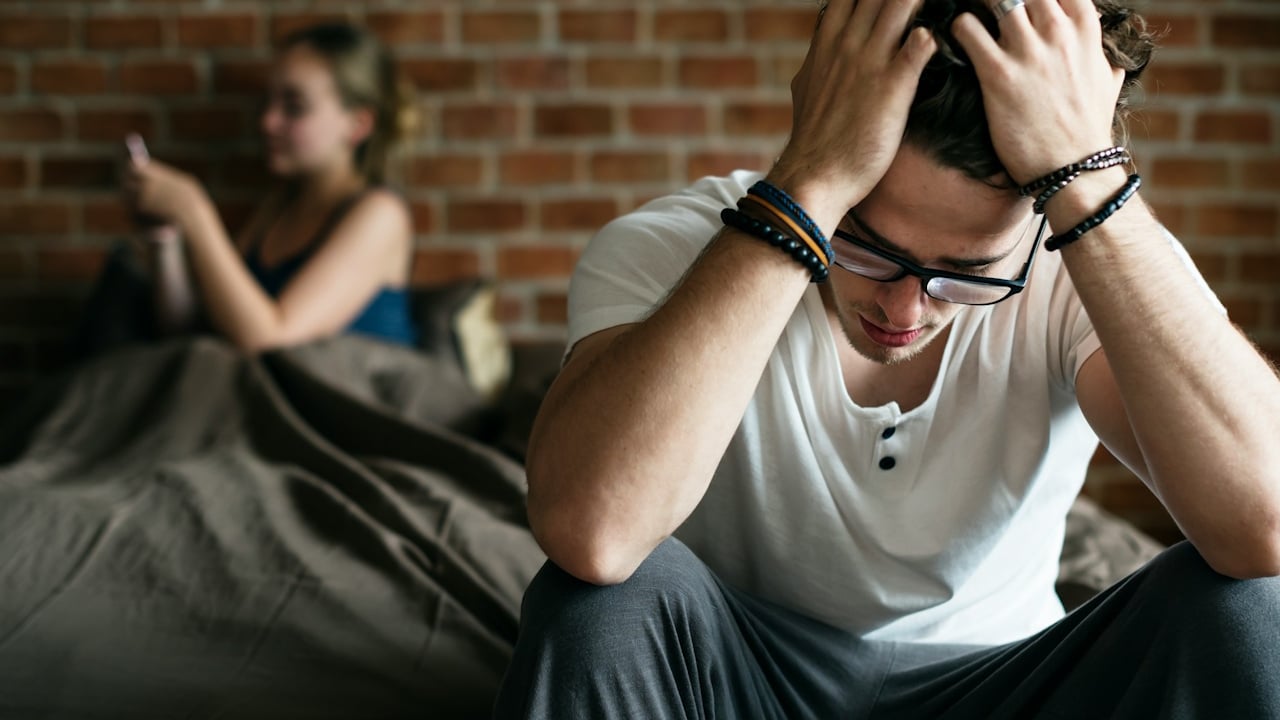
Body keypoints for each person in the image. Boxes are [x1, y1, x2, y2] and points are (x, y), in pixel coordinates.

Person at [494, 0, 1280, 717]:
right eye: (865, 247)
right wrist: (807, 185)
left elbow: (1265, 528)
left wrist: (1089, 177)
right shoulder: (674, 248)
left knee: (1248, 609)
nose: (902, 311)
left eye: (968, 272)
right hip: (742, 678)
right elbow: (592, 532)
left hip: (1007, 685)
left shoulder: (1079, 259)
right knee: (597, 606)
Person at [119, 22, 419, 351]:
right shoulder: (278, 207)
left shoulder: (380, 215)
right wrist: (166, 239)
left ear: (358, 124)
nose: (268, 122)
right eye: (269, 103)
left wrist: (196, 213)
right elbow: (194, 329)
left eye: (294, 107)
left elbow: (272, 340)